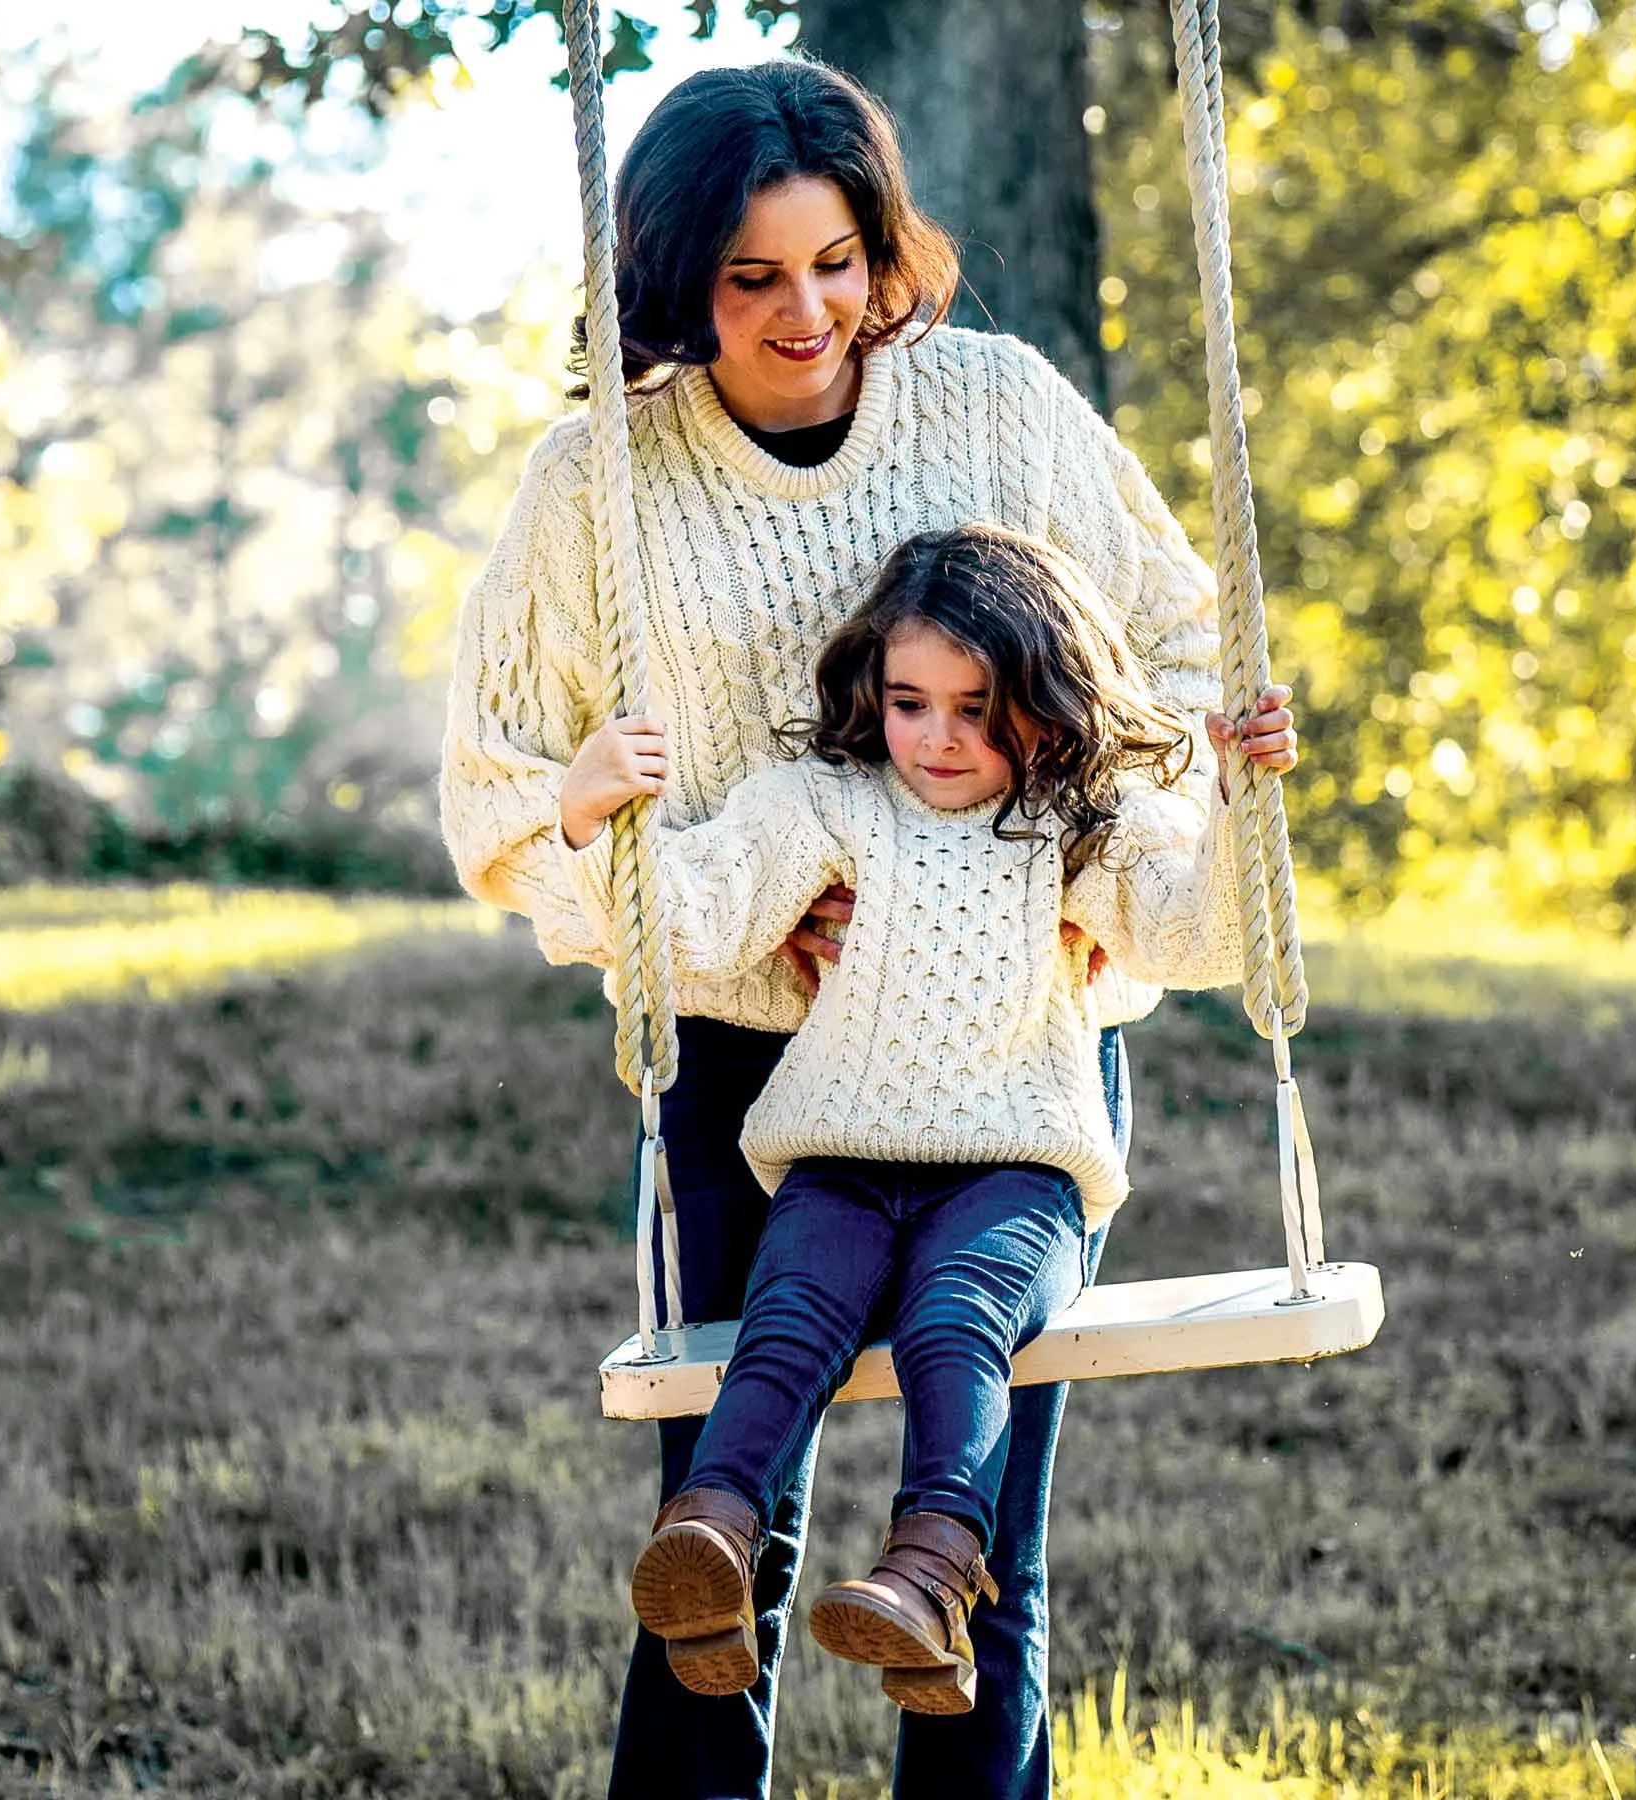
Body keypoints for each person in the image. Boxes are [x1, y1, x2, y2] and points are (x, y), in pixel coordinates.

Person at [437, 56, 1298, 1800]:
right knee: (716, 1537)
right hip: (750, 1065)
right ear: (681, 281)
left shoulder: (996, 406)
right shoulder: (593, 486)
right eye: (751, 279)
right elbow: (498, 797)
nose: (806, 312)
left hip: (1015, 1059)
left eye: (835, 262)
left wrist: (1077, 867)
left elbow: (1180, 657)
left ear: (880, 244)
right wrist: (689, 934)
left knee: (976, 1551)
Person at [557, 525, 1293, 1723]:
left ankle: (933, 1569)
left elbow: (1189, 940)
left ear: (1046, 706)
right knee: (785, 1320)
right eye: (909, 703)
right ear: (872, 693)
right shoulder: (828, 803)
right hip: (840, 1161)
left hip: (1014, 1171)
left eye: (976, 708)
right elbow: (690, 925)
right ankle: (712, 1538)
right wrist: (593, 822)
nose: (938, 738)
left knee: (961, 1324)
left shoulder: (1072, 824)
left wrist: (1233, 801)